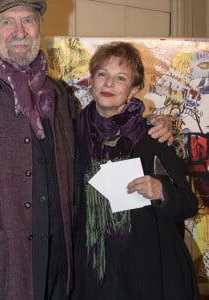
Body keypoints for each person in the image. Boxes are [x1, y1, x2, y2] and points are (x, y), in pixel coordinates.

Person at [0, 1, 174, 299]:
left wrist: (155, 122)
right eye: (7, 22)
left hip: (60, 273)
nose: (20, 31)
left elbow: (99, 133)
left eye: (28, 20)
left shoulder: (55, 95)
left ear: (39, 28)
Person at [72, 41, 200, 300]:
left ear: (134, 90)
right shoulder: (71, 136)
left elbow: (188, 204)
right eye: (102, 74)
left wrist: (162, 191)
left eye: (121, 78)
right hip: (90, 269)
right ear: (91, 82)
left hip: (144, 271)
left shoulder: (153, 137)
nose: (109, 84)